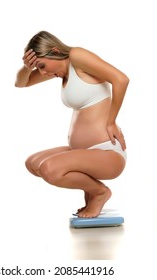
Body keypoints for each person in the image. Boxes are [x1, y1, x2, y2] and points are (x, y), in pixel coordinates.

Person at [15, 31, 129, 218]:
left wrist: (111, 121)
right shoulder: (59, 71)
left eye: (42, 65)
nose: (42, 72)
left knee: (49, 169)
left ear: (54, 50)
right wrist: (28, 68)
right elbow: (21, 83)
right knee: (33, 163)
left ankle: (99, 192)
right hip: (81, 151)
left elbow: (121, 79)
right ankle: (92, 191)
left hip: (106, 152)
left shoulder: (77, 56)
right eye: (38, 68)